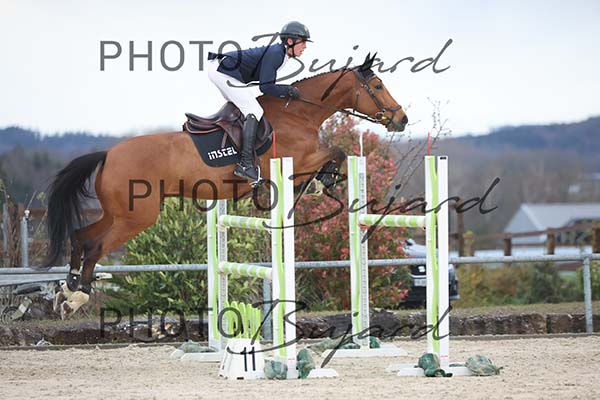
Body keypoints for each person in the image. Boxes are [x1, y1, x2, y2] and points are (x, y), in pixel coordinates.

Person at [207, 21, 311, 184]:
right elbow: (265, 87)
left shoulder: (281, 54)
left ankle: (230, 150)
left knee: (243, 108)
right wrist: (288, 90)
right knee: (254, 111)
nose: (305, 46)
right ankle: (246, 164)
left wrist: (286, 90)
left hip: (221, 69)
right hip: (223, 71)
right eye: (303, 42)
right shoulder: (276, 54)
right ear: (290, 41)